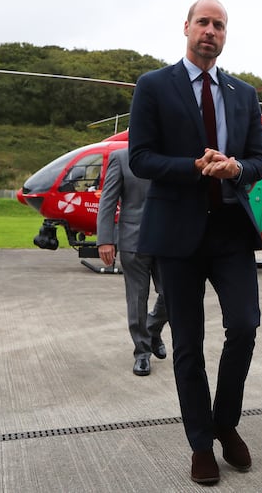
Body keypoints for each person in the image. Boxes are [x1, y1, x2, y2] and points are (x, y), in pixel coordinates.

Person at [127, 0, 262, 485]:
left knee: (245, 327)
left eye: (220, 25)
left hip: (230, 229)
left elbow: (259, 161)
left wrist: (234, 168)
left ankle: (225, 421)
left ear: (225, 35)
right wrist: (193, 166)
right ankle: (201, 443)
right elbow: (141, 158)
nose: (211, 31)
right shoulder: (153, 86)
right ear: (186, 27)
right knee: (188, 344)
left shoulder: (243, 93)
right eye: (204, 22)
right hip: (177, 233)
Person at [96, 147, 168, 376]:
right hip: (132, 239)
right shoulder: (120, 158)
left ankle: (152, 328)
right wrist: (105, 239)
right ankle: (142, 352)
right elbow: (108, 200)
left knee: (172, 294)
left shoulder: (170, 153)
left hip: (167, 239)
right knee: (137, 298)